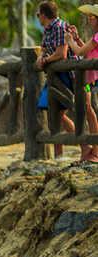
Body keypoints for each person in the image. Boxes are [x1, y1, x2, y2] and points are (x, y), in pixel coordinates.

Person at [36, 1, 81, 159]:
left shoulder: (60, 27)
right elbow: (43, 49)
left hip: (65, 74)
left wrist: (45, 60)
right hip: (53, 75)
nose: (37, 18)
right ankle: (60, 154)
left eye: (38, 15)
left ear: (43, 14)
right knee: (51, 111)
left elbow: (62, 53)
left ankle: (84, 145)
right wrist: (42, 57)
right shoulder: (47, 30)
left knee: (59, 112)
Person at [65, 4, 98, 162]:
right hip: (89, 80)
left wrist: (70, 41)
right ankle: (93, 148)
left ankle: (95, 149)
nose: (90, 18)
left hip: (91, 80)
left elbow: (79, 52)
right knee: (88, 108)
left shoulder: (97, 37)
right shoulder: (95, 37)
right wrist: (77, 39)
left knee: (89, 110)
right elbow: (86, 49)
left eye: (93, 16)